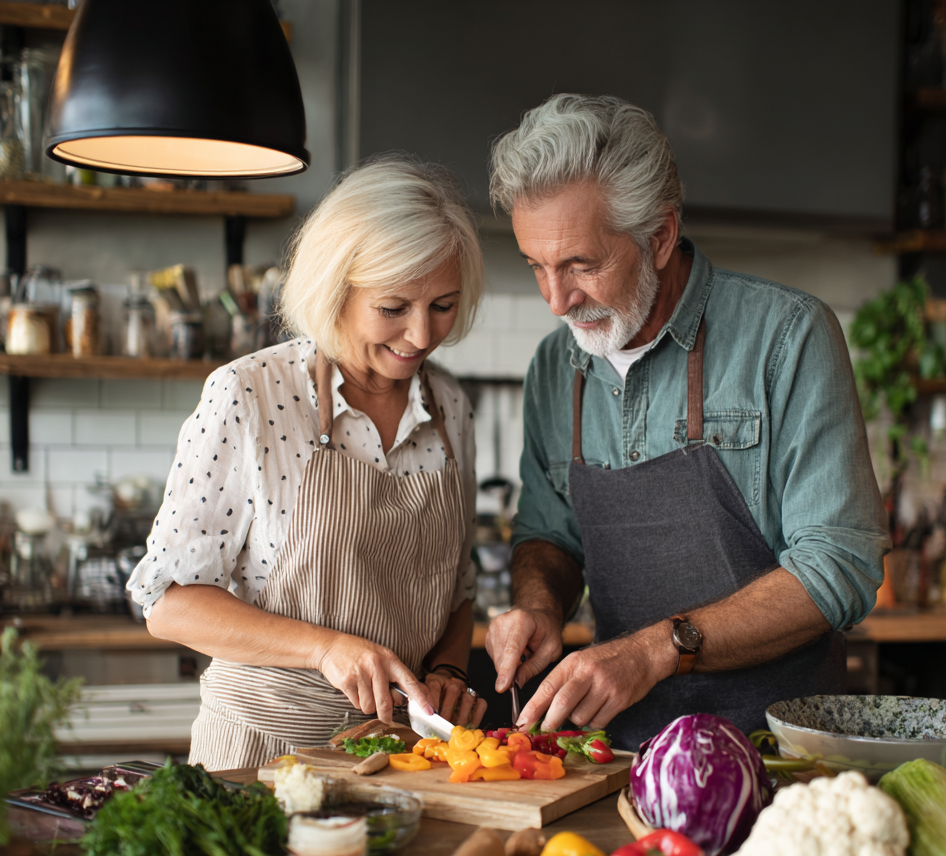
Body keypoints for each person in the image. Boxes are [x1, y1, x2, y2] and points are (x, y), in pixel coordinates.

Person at [485, 94, 890, 751]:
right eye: (537, 266)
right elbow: (546, 533)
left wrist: (659, 648)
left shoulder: (787, 338)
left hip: (777, 753)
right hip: (618, 755)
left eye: (582, 265)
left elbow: (840, 564)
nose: (557, 300)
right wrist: (539, 604)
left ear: (661, 235)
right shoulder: (556, 366)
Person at [129, 156, 487, 770]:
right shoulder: (250, 394)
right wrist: (324, 648)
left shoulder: (449, 404)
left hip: (400, 762)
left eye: (444, 305)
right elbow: (166, 601)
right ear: (336, 287)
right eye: (394, 307)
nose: (422, 334)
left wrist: (451, 667)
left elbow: (458, 589)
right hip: (259, 758)